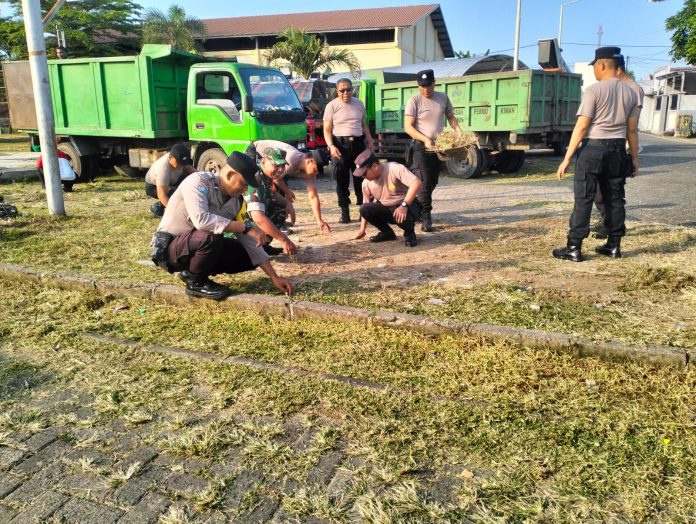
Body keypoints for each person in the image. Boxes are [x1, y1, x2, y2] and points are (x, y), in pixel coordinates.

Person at [151, 151, 292, 300]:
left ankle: (192, 272)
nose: (245, 190)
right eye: (243, 184)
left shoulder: (236, 202)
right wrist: (246, 227)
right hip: (171, 249)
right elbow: (202, 221)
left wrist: (274, 277)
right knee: (211, 235)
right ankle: (196, 282)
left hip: (197, 246)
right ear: (230, 175)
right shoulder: (199, 182)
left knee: (249, 255)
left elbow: (250, 241)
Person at [553, 46, 639, 262]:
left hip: (593, 149)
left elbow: (582, 126)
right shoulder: (631, 92)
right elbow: (632, 130)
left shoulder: (594, 91)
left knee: (584, 198)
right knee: (615, 198)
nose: (594, 70)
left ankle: (574, 247)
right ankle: (613, 245)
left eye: (594, 66)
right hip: (618, 150)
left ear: (602, 65)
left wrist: (567, 158)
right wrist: (634, 158)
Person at [592, 51, 645, 239]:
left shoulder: (633, 89)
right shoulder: (617, 87)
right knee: (601, 190)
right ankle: (609, 224)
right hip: (608, 146)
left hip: (616, 147)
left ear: (617, 68)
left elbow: (632, 128)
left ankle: (615, 229)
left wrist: (633, 156)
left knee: (612, 192)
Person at [404, 69, 463, 232]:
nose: (425, 89)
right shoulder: (414, 101)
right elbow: (408, 127)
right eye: (422, 86)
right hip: (420, 147)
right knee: (423, 183)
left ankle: (415, 209)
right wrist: (425, 139)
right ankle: (426, 219)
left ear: (434, 83)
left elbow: (451, 117)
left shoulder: (442, 98)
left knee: (432, 181)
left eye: (428, 85)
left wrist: (459, 133)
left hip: (439, 147)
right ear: (418, 85)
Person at [249, 139, 331, 233]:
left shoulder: (310, 173)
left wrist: (319, 220)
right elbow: (276, 178)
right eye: (316, 169)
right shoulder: (291, 160)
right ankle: (268, 223)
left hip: (272, 161)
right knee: (263, 189)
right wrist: (287, 191)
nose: (316, 173)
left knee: (276, 191)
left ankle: (276, 221)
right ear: (310, 161)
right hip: (256, 150)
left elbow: (313, 196)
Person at [323, 78, 375, 224]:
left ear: (353, 89)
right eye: (342, 90)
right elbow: (327, 129)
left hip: (358, 144)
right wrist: (331, 146)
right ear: (337, 91)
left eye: (348, 89)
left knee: (361, 178)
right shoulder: (331, 106)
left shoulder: (359, 104)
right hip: (340, 145)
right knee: (341, 180)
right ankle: (344, 212)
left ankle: (363, 211)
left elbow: (363, 125)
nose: (346, 93)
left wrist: (370, 141)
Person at [352, 150, 422, 248]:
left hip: (406, 205)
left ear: (375, 166)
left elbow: (416, 183)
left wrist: (404, 205)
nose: (363, 177)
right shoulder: (366, 183)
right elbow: (365, 203)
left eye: (364, 173)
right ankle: (387, 233)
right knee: (364, 208)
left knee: (400, 211)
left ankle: (409, 233)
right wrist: (362, 229)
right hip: (387, 209)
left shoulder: (394, 168)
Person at [244, 147, 298, 257]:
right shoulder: (256, 179)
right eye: (276, 165)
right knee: (268, 214)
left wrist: (288, 204)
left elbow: (273, 194)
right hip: (239, 228)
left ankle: (262, 246)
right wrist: (284, 240)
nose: (281, 169)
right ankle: (252, 249)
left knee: (279, 209)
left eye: (283, 165)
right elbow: (258, 218)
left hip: (247, 223)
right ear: (263, 162)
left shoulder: (265, 175)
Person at [144, 144, 196, 217]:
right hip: (153, 187)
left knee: (191, 183)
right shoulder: (163, 169)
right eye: (179, 163)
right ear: (170, 158)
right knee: (178, 193)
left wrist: (201, 176)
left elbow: (187, 167)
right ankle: (158, 207)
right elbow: (161, 194)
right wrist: (175, 214)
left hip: (172, 180)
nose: (181, 166)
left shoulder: (179, 159)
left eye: (182, 163)